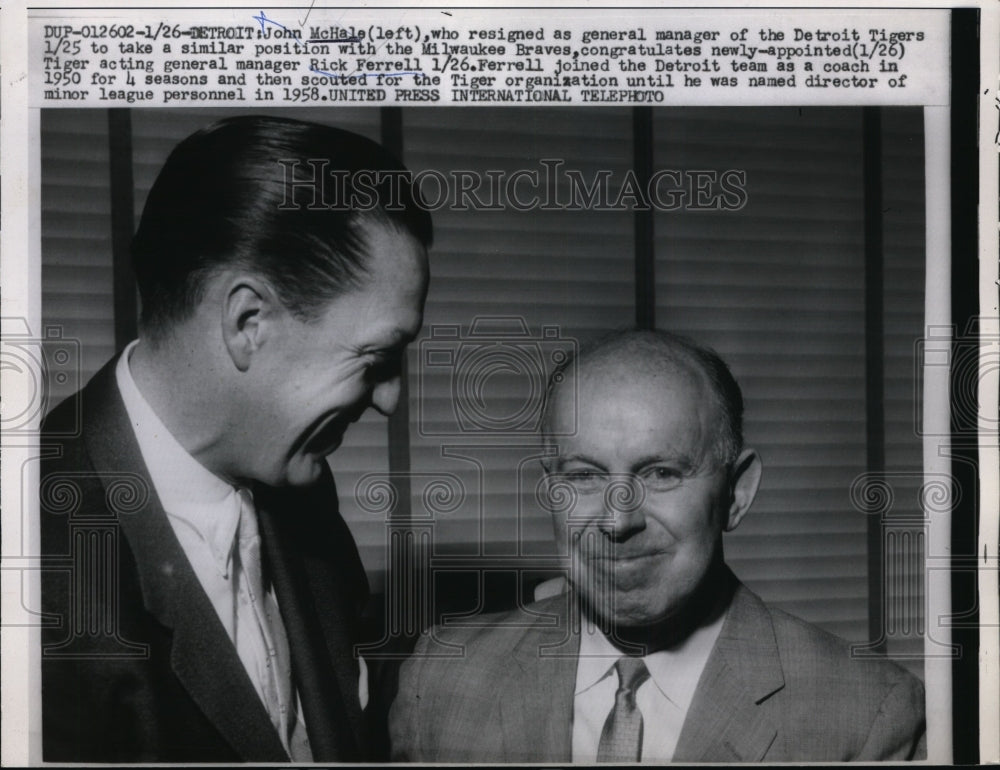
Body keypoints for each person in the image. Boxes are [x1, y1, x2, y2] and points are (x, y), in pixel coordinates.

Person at [40, 115, 432, 762]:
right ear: (248, 322)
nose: (390, 399)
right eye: (376, 358)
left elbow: (349, 696)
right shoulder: (32, 550)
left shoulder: (298, 483)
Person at [389, 329, 926, 762]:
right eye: (583, 476)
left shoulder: (867, 717)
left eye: (662, 473)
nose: (619, 521)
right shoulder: (440, 679)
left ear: (736, 493)